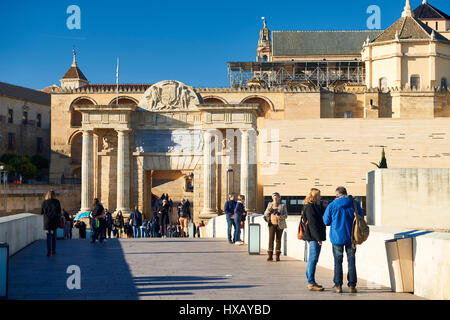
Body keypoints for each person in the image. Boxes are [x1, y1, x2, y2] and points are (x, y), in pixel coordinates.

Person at [323, 186, 364, 294]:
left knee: (338, 262)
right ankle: (352, 286)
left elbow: (326, 221)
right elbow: (361, 219)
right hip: (352, 237)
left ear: (337, 194)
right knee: (351, 261)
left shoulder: (332, 205)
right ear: (346, 193)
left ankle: (338, 285)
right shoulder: (354, 203)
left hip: (337, 237)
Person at [302, 188, 326, 291]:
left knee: (312, 259)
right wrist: (318, 238)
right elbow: (313, 224)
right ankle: (311, 283)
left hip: (313, 236)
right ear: (315, 196)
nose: (320, 197)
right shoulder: (310, 207)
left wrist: (324, 207)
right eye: (319, 195)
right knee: (313, 259)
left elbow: (320, 216)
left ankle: (311, 281)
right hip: (313, 237)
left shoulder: (313, 206)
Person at [263, 192, 288, 261]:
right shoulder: (269, 204)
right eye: (274, 197)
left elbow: (286, 216)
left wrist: (280, 216)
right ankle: (270, 256)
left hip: (279, 224)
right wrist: (269, 211)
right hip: (271, 224)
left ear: (279, 198)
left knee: (278, 240)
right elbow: (265, 214)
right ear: (272, 198)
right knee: (271, 239)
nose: (275, 198)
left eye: (276, 197)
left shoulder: (283, 205)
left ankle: (277, 256)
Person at [41, 190, 62, 256]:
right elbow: (59, 211)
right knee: (53, 236)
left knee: (48, 237)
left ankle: (48, 251)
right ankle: (53, 250)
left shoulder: (44, 202)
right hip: (55, 221)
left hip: (47, 221)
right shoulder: (57, 202)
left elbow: (41, 212)